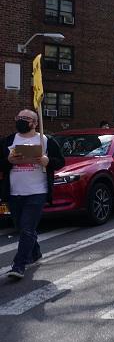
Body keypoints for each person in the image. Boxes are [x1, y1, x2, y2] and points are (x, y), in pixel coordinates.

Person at [1, 109, 65, 279]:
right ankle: (35, 252)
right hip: (14, 192)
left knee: (27, 227)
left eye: (26, 119)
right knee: (22, 227)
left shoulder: (45, 140)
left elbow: (61, 162)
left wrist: (47, 161)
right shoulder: (9, 141)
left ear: (35, 123)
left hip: (37, 192)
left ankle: (19, 265)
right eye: (19, 117)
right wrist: (8, 161)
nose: (21, 120)